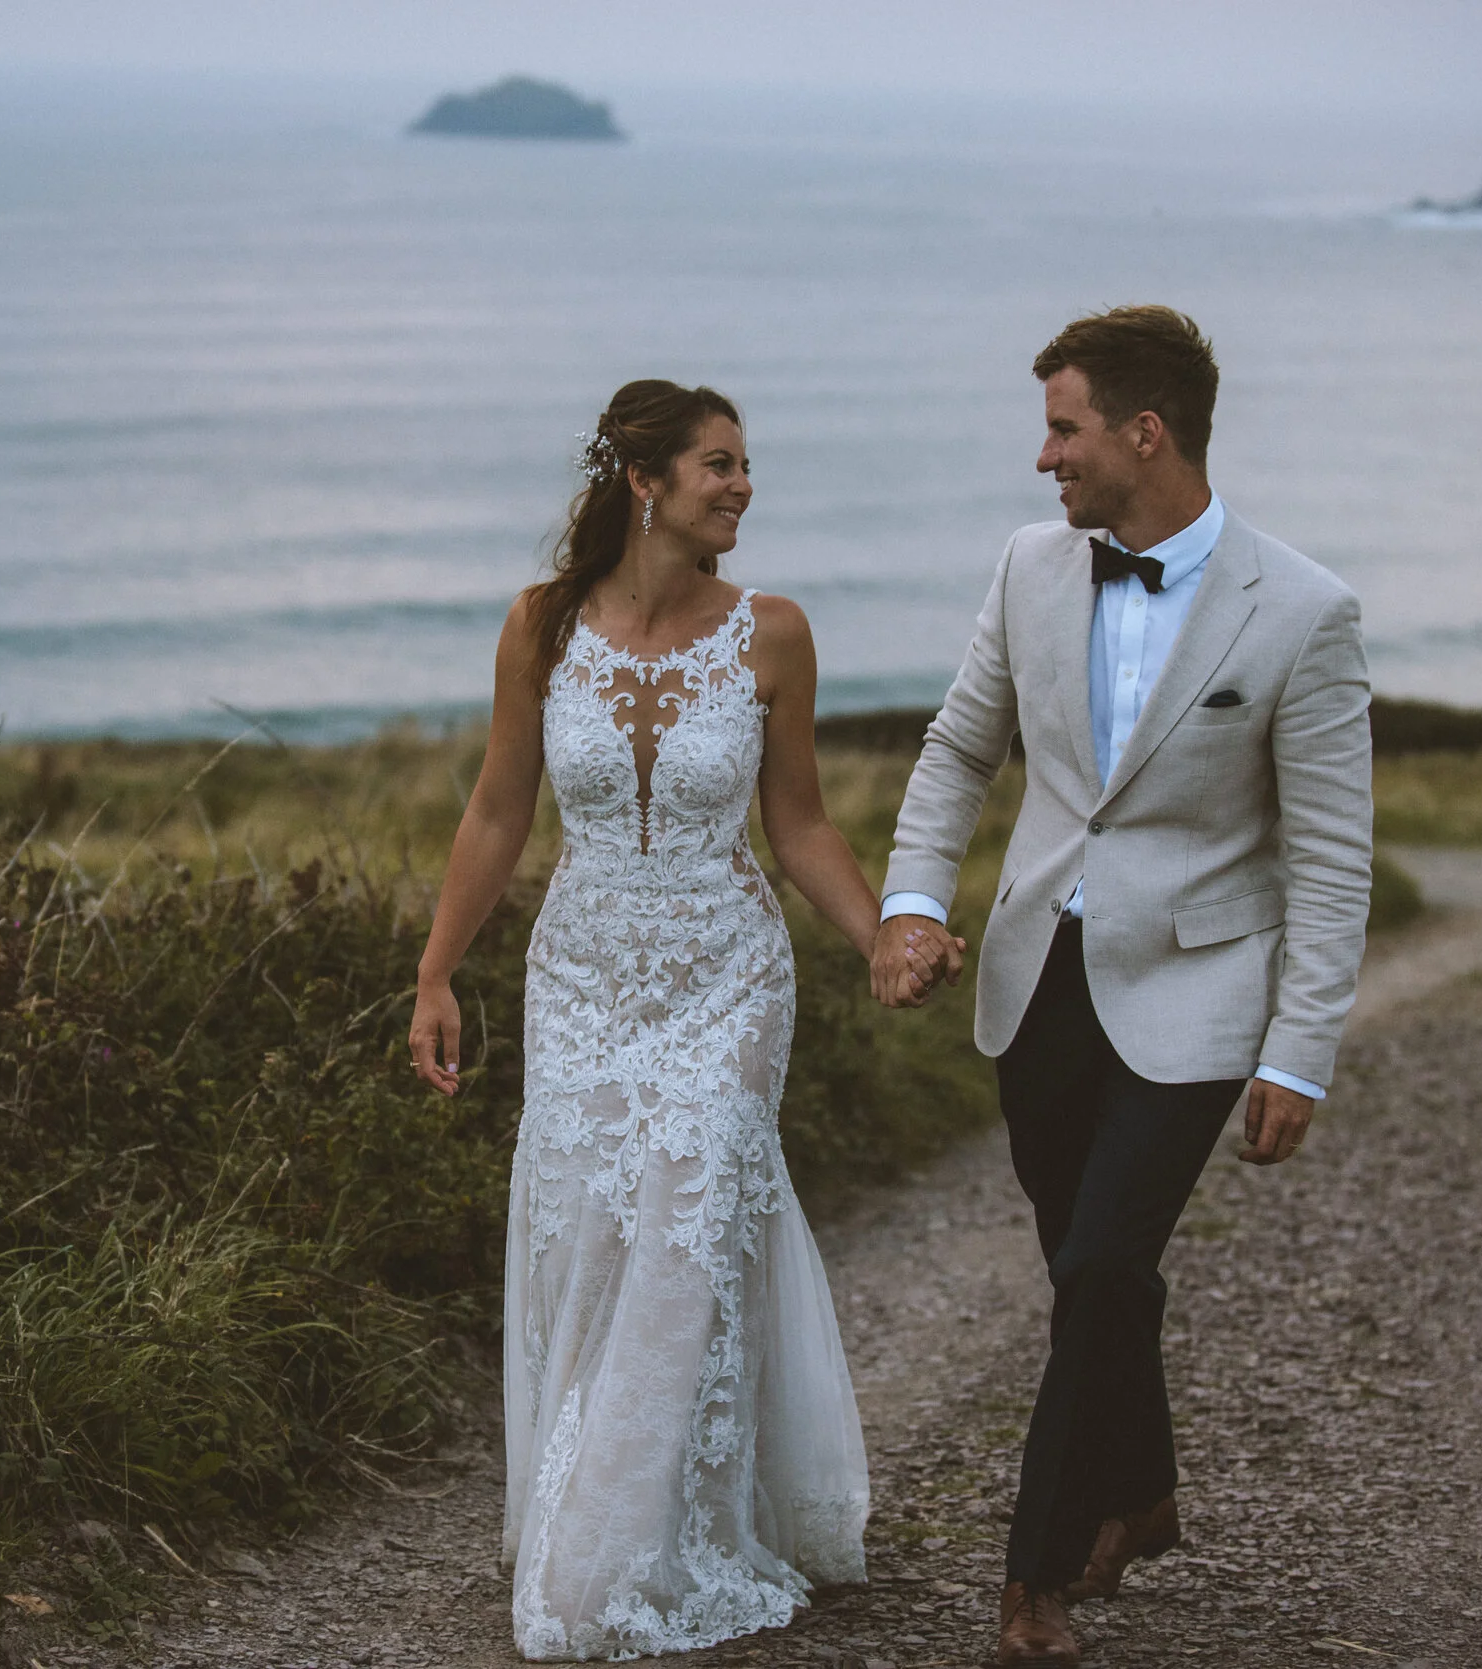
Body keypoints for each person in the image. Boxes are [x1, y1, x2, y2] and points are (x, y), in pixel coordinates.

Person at [872, 307, 1373, 1666]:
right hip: (1040, 979)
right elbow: (958, 751)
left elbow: (1331, 858)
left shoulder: (1305, 612)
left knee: (1100, 1263)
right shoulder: (1032, 567)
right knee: (1090, 1271)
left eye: (1064, 429)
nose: (1046, 461)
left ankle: (1030, 1576)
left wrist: (1299, 1050)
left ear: (1144, 433)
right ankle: (1145, 1492)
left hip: (1200, 997)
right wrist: (914, 903)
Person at [411, 380, 913, 1658]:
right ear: (646, 481)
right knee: (590, 1229)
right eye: (718, 465)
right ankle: (605, 1506)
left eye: (746, 467)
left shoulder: (772, 635)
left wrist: (879, 937)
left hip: (727, 970)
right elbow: (495, 812)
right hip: (580, 972)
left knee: (690, 1208)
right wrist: (435, 971)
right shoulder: (539, 627)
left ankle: (618, 1549)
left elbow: (796, 822)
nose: (742, 486)